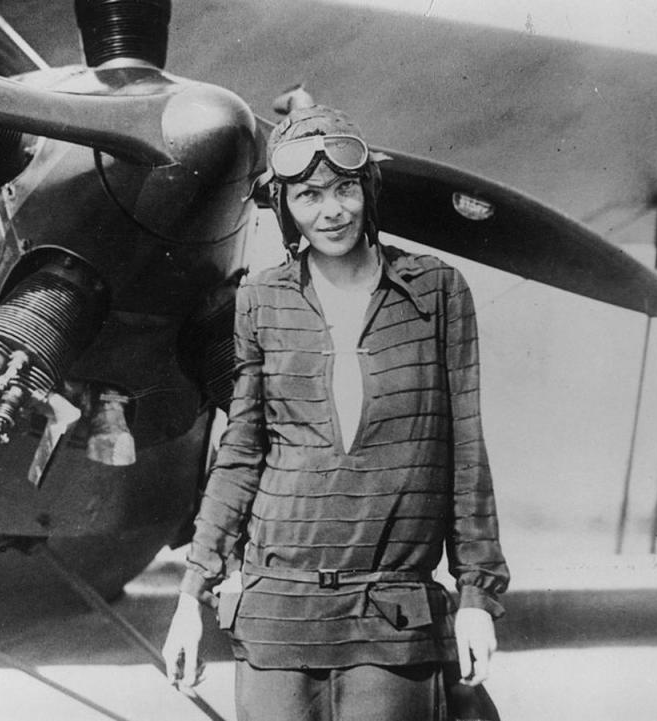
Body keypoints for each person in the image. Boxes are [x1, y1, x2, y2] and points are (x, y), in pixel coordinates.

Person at [162, 105, 510, 721]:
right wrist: (193, 594)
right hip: (277, 612)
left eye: (345, 188)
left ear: (367, 189)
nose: (332, 211)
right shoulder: (260, 299)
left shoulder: (436, 292)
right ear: (285, 207)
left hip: (392, 607)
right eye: (309, 195)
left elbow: (465, 453)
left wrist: (477, 596)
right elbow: (241, 455)